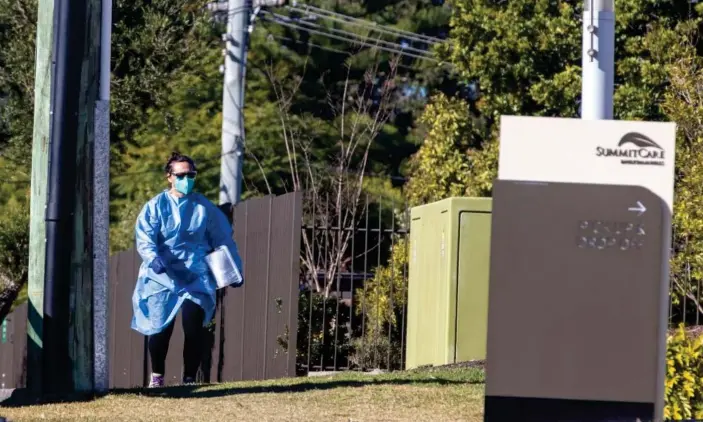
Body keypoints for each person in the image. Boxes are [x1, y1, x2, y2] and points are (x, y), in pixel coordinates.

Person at [131, 152, 243, 388]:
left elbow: (222, 239)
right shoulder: (155, 206)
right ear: (169, 177)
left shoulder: (204, 208)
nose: (187, 179)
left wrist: (234, 270)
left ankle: (189, 378)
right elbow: (145, 237)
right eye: (181, 175)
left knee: (194, 327)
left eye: (191, 175)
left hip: (195, 274)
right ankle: (157, 376)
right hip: (161, 276)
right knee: (160, 328)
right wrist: (153, 259)